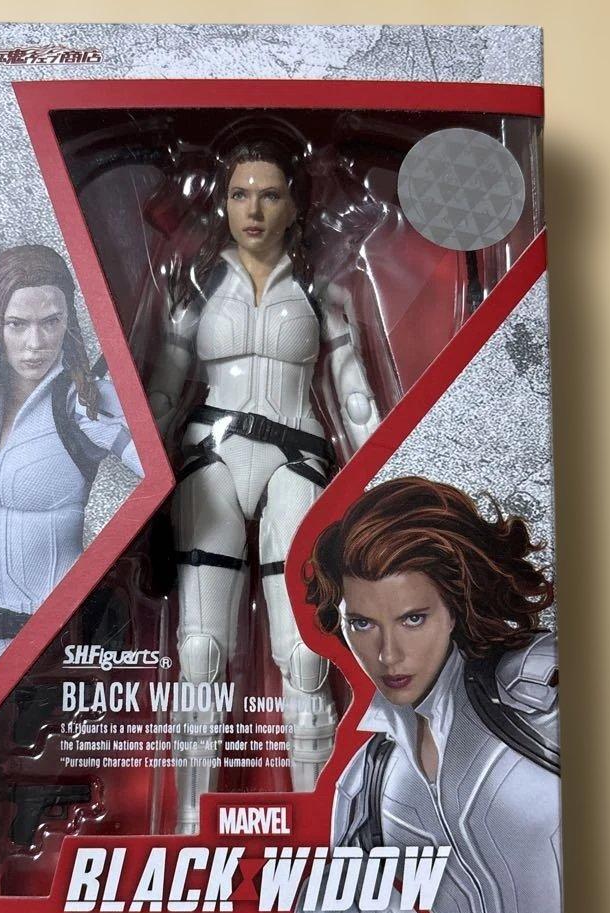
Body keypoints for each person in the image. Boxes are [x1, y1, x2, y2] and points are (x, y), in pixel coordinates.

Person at [146, 139, 380, 832]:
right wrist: (127, 479)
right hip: (210, 460)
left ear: (293, 204)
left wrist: (385, 478)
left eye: (270, 194)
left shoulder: (320, 293)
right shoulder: (194, 288)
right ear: (221, 201)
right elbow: (161, 392)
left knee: (307, 656)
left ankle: (317, 823)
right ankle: (190, 826)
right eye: (241, 193)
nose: (254, 208)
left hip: (296, 459)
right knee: (199, 652)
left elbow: (354, 394)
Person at [298, 476, 562, 913]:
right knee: (324, 903)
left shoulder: (538, 689)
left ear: (454, 607)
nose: (388, 654)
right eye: (362, 623)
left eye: (412, 619)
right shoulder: (369, 780)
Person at [0, 244, 142, 716]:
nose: (35, 342)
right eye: (17, 324)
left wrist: (117, 437)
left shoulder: (84, 401)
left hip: (54, 651)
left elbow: (163, 479)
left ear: (68, 322)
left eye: (50, 322)